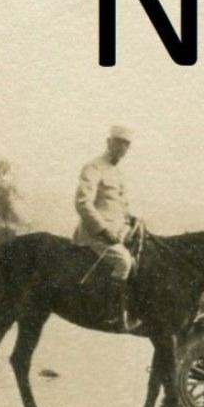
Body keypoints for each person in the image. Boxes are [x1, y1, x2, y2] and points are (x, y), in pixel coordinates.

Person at [75, 125, 137, 328]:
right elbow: (83, 203)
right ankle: (111, 313)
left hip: (118, 232)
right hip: (96, 233)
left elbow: (121, 205)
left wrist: (130, 221)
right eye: (118, 142)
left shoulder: (118, 172)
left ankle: (132, 307)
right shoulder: (93, 168)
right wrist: (104, 230)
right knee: (124, 262)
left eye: (126, 144)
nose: (122, 147)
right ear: (108, 142)